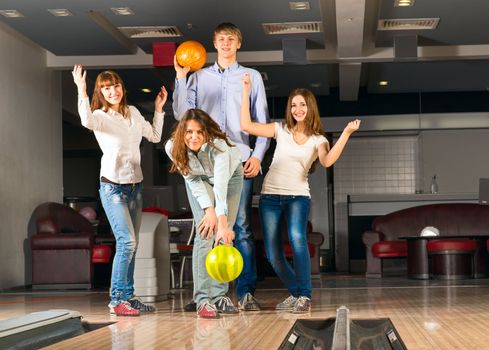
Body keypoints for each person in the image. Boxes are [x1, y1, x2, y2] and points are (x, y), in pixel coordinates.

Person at [241, 73, 360, 313]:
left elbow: (327, 162)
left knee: (297, 238)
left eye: (302, 104)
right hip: (270, 197)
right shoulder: (280, 129)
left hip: (298, 197)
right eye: (293, 105)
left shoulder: (318, 139)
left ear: (310, 107)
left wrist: (345, 134)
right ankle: (296, 293)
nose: (297, 109)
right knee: (273, 254)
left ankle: (304, 296)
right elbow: (246, 125)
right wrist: (245, 91)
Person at [173, 22, 270, 311]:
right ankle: (207, 296)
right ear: (214, 44)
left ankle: (244, 291)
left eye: (231, 39)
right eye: (221, 39)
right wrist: (181, 79)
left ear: (238, 44)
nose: (226, 43)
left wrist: (258, 155)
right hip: (204, 159)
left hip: (239, 160)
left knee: (239, 227)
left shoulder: (251, 77)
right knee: (209, 225)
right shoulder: (199, 76)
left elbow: (261, 119)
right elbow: (182, 115)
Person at [72, 65, 168, 316]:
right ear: (100, 93)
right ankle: (116, 300)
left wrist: (158, 110)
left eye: (115, 86)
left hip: (135, 187)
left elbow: (156, 136)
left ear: (122, 89)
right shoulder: (100, 116)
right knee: (127, 242)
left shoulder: (134, 113)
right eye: (106, 88)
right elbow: (86, 121)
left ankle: (129, 295)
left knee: (132, 245)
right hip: (112, 187)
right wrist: (81, 91)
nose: (112, 91)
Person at [165, 109, 244, 319]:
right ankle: (202, 299)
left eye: (200, 132)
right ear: (182, 132)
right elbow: (192, 180)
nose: (194, 137)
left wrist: (223, 223)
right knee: (205, 233)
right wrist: (209, 212)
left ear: (207, 132)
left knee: (223, 234)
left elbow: (220, 185)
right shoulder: (172, 147)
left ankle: (219, 295)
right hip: (199, 180)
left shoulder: (221, 147)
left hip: (231, 177)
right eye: (189, 132)